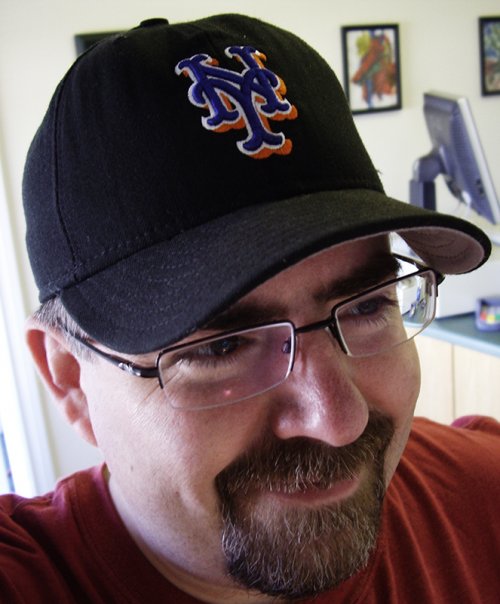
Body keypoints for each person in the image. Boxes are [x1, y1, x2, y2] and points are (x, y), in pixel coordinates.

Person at [1, 13, 499, 603]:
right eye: (222, 347)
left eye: (367, 306)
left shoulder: (482, 497)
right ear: (69, 379)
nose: (338, 421)